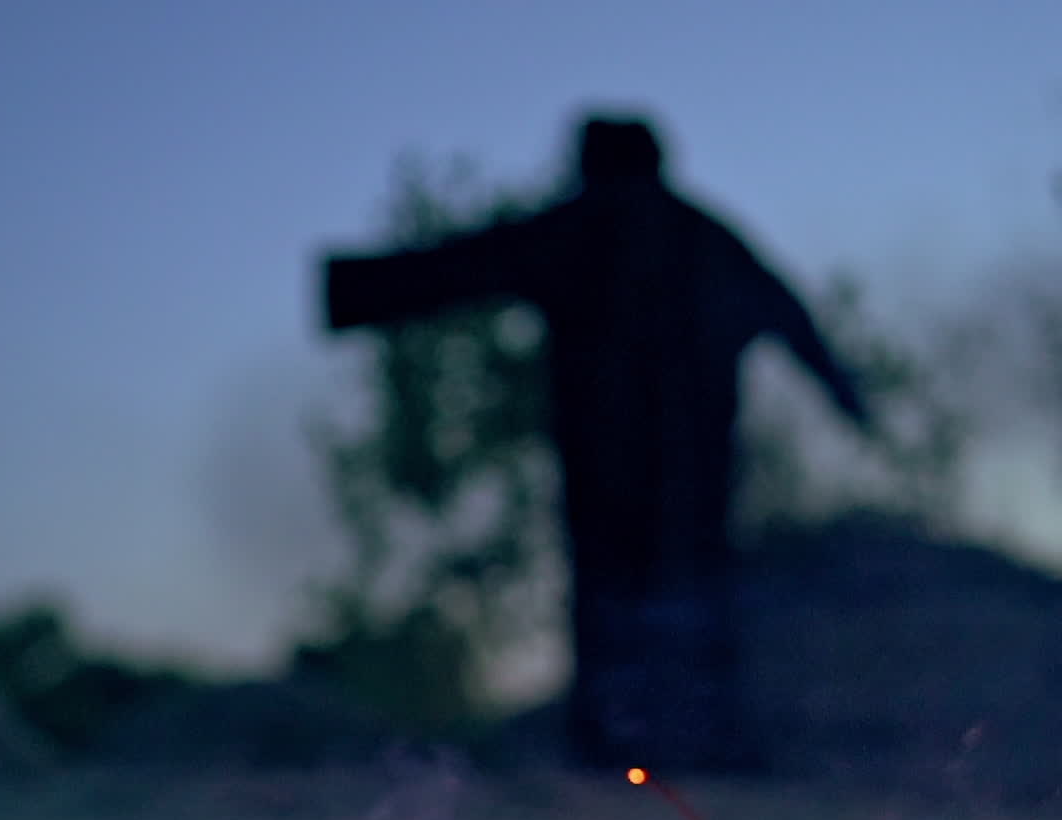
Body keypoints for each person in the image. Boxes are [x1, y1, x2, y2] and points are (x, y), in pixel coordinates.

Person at [322, 115, 871, 770]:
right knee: (693, 594)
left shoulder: (581, 229)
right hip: (692, 468)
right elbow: (789, 314)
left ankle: (626, 741)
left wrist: (350, 290)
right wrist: (848, 395)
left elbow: (465, 265)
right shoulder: (704, 236)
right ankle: (697, 736)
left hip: (610, 464)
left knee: (621, 597)